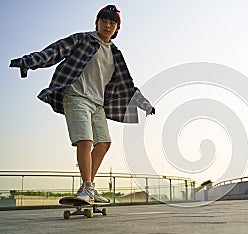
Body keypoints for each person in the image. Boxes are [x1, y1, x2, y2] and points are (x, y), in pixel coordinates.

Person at [9, 5, 155, 203]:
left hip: (98, 104)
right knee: (85, 141)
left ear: (117, 29)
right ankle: (87, 188)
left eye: (113, 23)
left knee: (104, 143)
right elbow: (55, 51)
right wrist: (28, 61)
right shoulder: (82, 39)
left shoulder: (116, 54)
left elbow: (128, 86)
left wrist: (145, 104)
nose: (108, 25)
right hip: (76, 96)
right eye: (104, 21)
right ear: (97, 22)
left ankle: (88, 188)